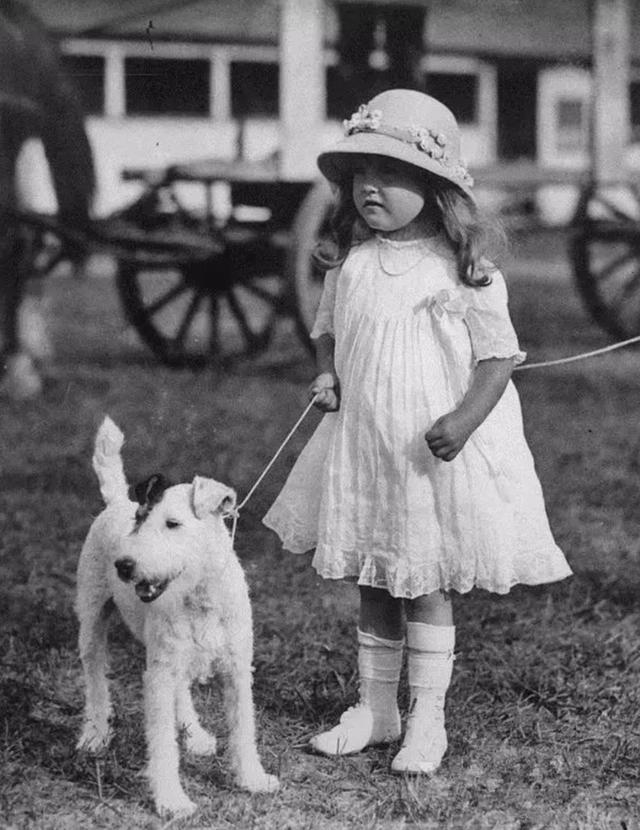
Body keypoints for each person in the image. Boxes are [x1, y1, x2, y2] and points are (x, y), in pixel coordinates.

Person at [263, 89, 572, 774]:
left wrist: (463, 420)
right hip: (366, 446)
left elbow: (499, 359)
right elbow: (328, 334)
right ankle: (377, 710)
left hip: (429, 453)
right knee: (373, 577)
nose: (370, 187)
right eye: (360, 174)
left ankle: (426, 722)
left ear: (434, 187)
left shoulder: (464, 272)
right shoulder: (352, 263)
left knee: (424, 581)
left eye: (391, 173)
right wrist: (327, 374)